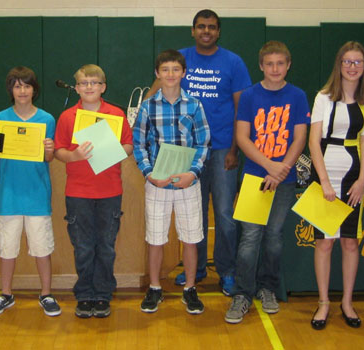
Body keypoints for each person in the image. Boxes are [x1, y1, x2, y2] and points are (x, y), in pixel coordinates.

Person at [145, 9, 252, 294]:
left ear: (218, 31)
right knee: (195, 214)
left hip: (221, 151)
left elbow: (243, 108)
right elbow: (151, 98)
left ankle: (227, 271)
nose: (206, 31)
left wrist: (234, 149)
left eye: (212, 27)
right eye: (201, 27)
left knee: (225, 215)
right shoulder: (179, 59)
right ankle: (198, 268)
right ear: (193, 30)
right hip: (184, 155)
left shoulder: (234, 62)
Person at [225, 41, 309, 324]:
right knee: (249, 238)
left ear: (288, 65)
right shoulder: (249, 96)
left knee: (273, 238)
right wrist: (269, 166)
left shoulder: (297, 96)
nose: (275, 69)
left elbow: (299, 138)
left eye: (280, 63)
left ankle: (268, 288)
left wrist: (281, 169)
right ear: (261, 66)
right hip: (254, 177)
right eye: (269, 64)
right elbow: (242, 138)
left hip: (284, 179)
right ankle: (242, 293)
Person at [308, 41, 364, 330]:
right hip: (325, 173)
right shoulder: (324, 97)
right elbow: (313, 142)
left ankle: (347, 302)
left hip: (353, 177)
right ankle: (323, 302)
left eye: (358, 62)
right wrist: (324, 182)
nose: (352, 67)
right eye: (347, 62)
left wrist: (363, 179)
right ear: (339, 65)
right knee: (324, 242)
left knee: (350, 242)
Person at [134, 49, 210, 315]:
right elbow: (139, 144)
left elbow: (203, 142)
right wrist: (148, 173)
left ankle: (190, 288)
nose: (170, 74)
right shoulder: (148, 106)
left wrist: (193, 172)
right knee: (155, 238)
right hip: (157, 182)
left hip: (188, 182)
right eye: (164, 70)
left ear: (184, 73)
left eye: (175, 69)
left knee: (190, 238)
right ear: (157, 74)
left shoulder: (195, 105)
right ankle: (155, 287)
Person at [54, 64, 133, 318]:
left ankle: (102, 294)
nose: (90, 87)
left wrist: (116, 152)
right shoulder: (67, 117)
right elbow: (59, 152)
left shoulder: (116, 114)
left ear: (103, 87)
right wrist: (75, 155)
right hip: (78, 192)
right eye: (84, 83)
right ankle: (85, 294)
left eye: (95, 83)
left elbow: (129, 145)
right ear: (76, 88)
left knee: (106, 245)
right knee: (83, 246)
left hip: (110, 190)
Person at [0, 66, 61, 317]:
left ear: (34, 89)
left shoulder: (47, 119)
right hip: (9, 195)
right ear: (11, 90)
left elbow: (49, 158)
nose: (23, 91)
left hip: (37, 194)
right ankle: (6, 294)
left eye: (27, 86)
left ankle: (46, 293)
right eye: (18, 86)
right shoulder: (1, 118)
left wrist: (49, 149)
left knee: (42, 248)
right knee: (7, 248)